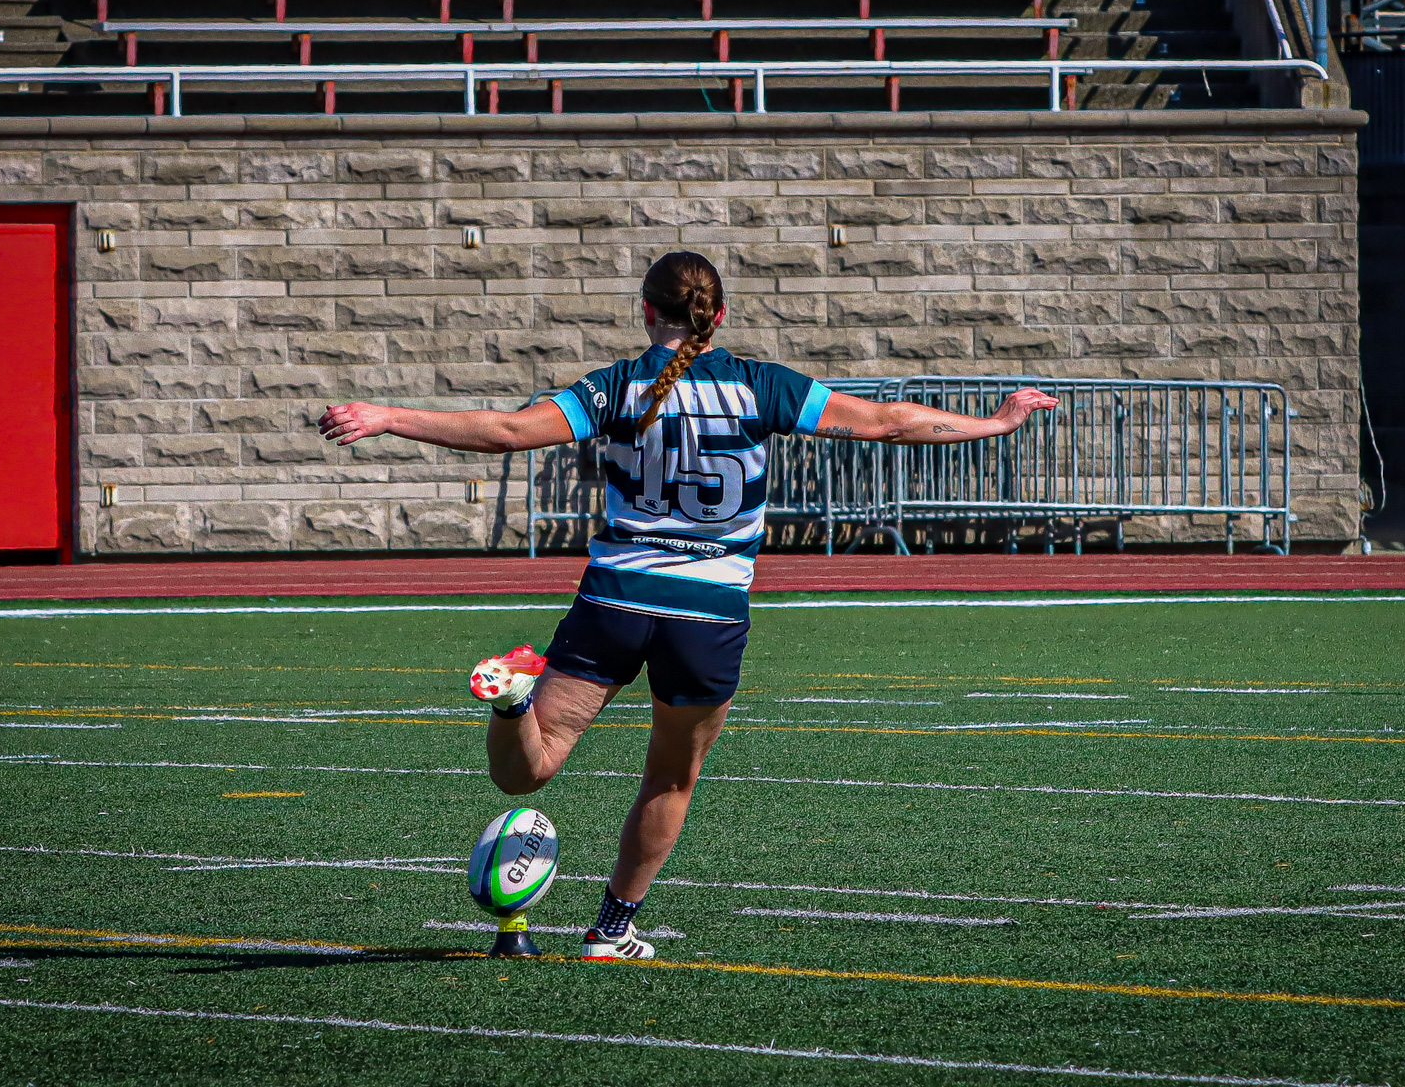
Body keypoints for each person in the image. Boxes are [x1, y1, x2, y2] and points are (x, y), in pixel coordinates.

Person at [318, 250, 1058, 960]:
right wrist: (995, 423)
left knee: (525, 773)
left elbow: (509, 433)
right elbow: (887, 422)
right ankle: (610, 929)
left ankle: (513, 707)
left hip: (614, 600)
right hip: (707, 614)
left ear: (646, 312)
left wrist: (388, 415)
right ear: (719, 315)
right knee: (670, 779)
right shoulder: (762, 386)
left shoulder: (616, 386)